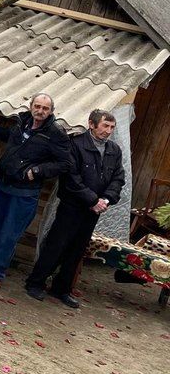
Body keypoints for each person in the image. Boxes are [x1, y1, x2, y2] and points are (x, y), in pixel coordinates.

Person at [0, 93, 70, 292]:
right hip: (4, 184)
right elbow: (9, 137)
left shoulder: (55, 133)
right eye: (37, 106)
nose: (40, 111)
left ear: (51, 111)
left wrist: (36, 172)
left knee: (8, 234)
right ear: (31, 106)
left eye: (45, 108)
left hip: (25, 192)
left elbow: (65, 163)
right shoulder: (22, 122)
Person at [24, 109, 124, 308]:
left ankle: (61, 289)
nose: (108, 131)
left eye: (112, 127)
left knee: (77, 250)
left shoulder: (114, 150)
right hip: (72, 206)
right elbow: (71, 178)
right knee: (56, 244)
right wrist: (92, 199)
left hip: (93, 210)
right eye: (105, 126)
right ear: (92, 124)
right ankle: (35, 283)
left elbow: (118, 178)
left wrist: (106, 199)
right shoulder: (76, 145)